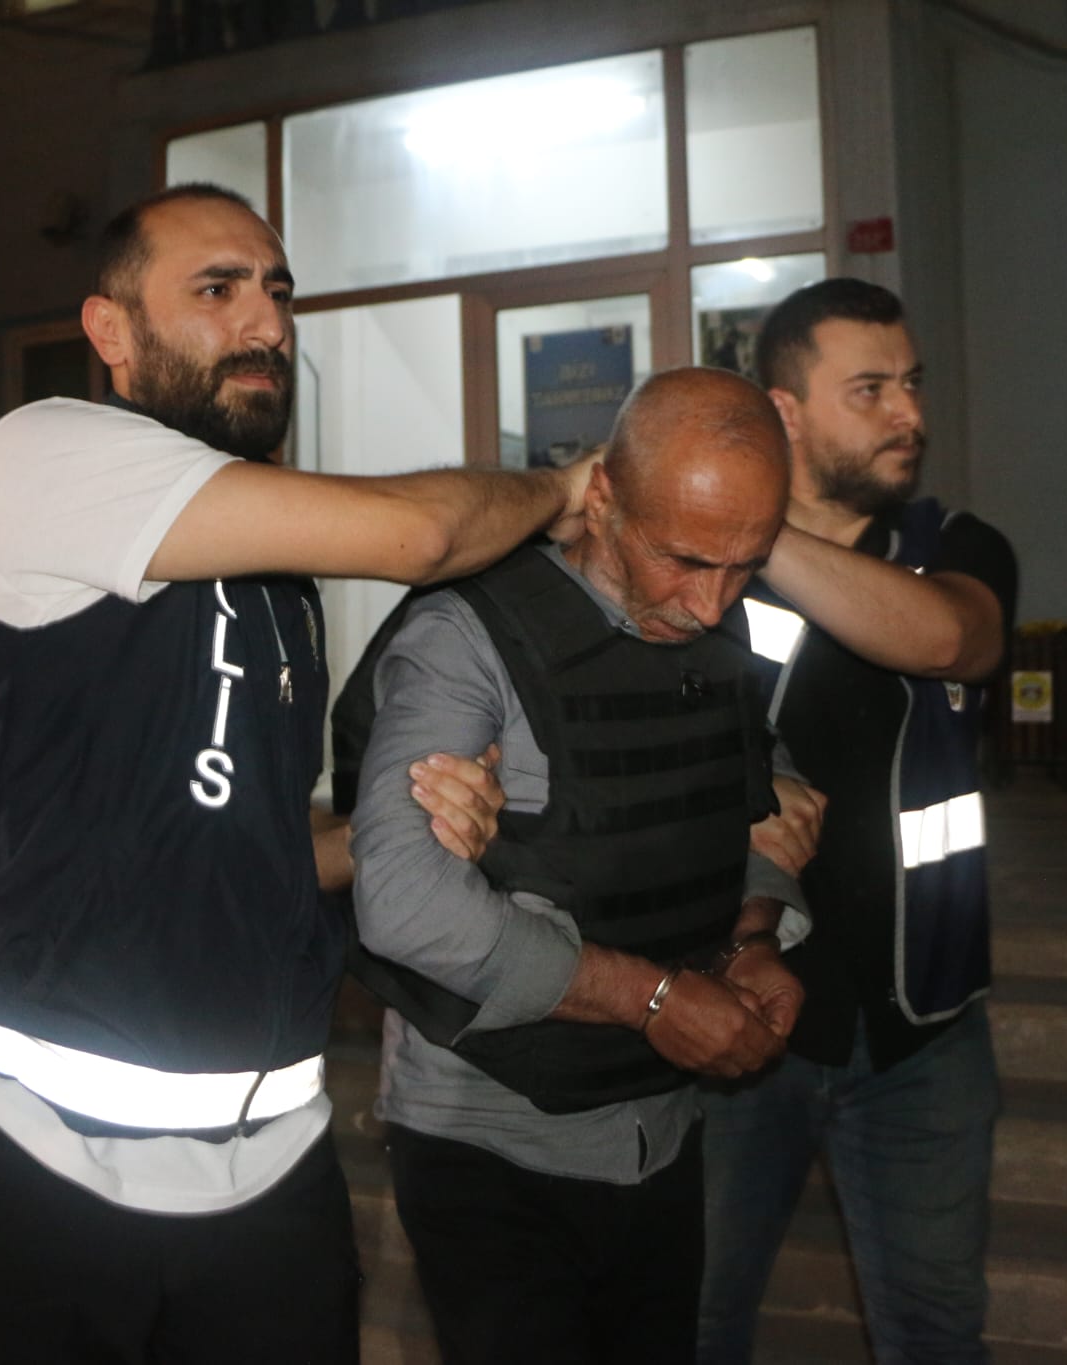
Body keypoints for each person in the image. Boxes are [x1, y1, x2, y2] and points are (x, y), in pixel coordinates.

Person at [0, 182, 595, 1365]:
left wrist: (397, 827)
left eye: (276, 292)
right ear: (111, 331)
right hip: (33, 1165)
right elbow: (421, 535)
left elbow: (245, 834)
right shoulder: (42, 455)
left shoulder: (275, 580)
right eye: (216, 290)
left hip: (265, 1172)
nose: (265, 322)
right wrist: (567, 489)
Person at [346, 367, 821, 1365]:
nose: (711, 602)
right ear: (599, 497)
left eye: (745, 565)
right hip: (492, 1139)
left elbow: (741, 805)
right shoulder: (465, 636)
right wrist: (652, 998)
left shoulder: (726, 621)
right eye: (683, 559)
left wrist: (751, 939)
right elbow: (402, 902)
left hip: (661, 1124)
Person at [698, 278, 1019, 1365]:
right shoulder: (692, 572)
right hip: (730, 1018)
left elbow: (949, 640)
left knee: (934, 1332)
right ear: (783, 412)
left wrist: (754, 530)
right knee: (693, 1321)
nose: (909, 414)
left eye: (912, 384)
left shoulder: (953, 546)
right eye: (870, 390)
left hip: (920, 1028)